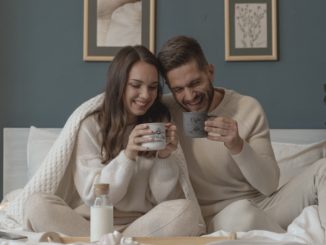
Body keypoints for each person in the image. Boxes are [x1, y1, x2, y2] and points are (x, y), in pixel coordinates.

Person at [22, 45, 204, 237]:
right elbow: (95, 197)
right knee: (36, 205)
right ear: (119, 84)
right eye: (136, 85)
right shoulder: (91, 126)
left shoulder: (159, 122)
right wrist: (128, 156)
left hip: (139, 226)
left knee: (187, 212)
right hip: (88, 224)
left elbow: (162, 199)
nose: (145, 95)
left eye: (152, 87)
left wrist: (165, 157)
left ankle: (113, 242)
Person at [157, 35, 326, 235]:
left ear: (210, 72)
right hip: (218, 218)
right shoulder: (165, 111)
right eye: (178, 89)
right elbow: (114, 100)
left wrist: (238, 145)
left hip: (265, 206)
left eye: (195, 83)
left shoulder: (247, 108)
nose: (189, 95)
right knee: (242, 214)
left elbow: (269, 185)